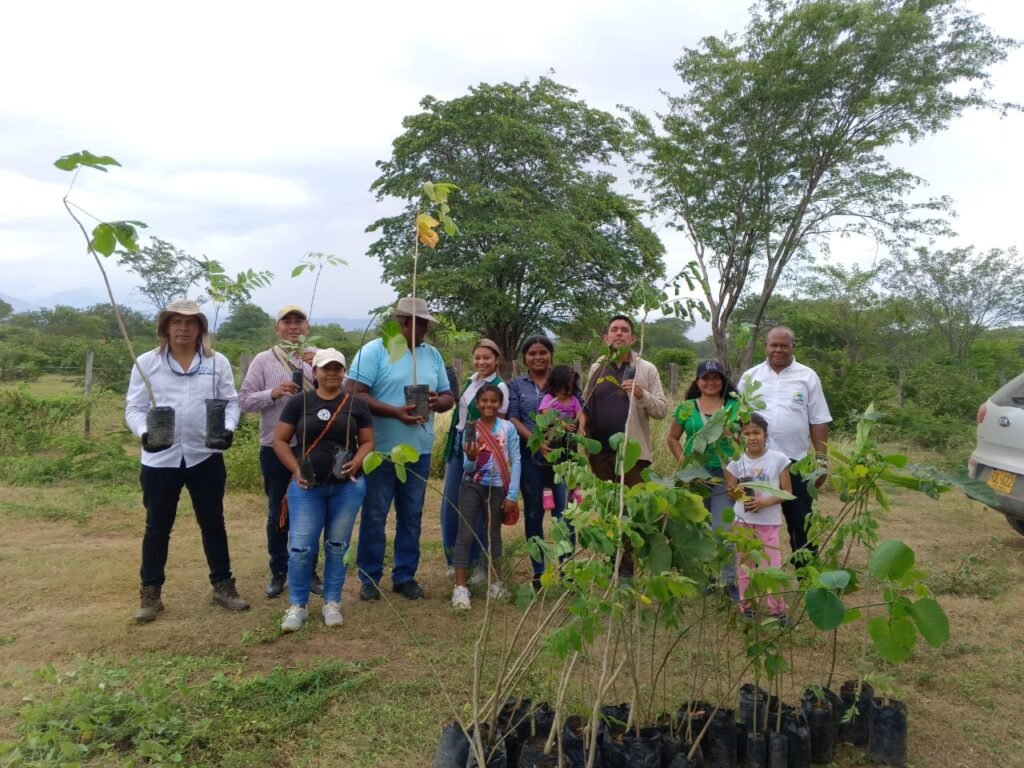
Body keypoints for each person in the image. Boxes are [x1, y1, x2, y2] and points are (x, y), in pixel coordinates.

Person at [124, 298, 249, 622]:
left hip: (204, 455)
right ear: (166, 327)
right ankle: (151, 594)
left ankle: (223, 585)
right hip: (160, 459)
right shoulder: (146, 363)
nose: (183, 327)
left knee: (213, 523)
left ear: (200, 329)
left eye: (190, 322)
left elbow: (231, 403)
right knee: (157, 527)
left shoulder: (216, 362)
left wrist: (229, 428)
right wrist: (144, 434)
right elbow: (134, 409)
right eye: (176, 322)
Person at [346, 297, 454, 601]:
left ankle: (405, 575)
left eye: (426, 324)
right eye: (418, 323)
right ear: (402, 322)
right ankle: (369, 577)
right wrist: (394, 412)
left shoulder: (431, 355)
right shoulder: (375, 351)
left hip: (418, 450)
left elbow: (449, 396)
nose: (423, 329)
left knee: (412, 515)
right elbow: (353, 393)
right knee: (376, 514)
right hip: (380, 451)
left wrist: (436, 401)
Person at [272, 348, 374, 631]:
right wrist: (295, 468)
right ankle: (298, 605)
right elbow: (280, 440)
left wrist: (357, 460)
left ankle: (332, 602)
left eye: (337, 368)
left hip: (346, 488)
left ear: (344, 373)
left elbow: (367, 441)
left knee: (337, 546)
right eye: (326, 368)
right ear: (314, 372)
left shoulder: (355, 404)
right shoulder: (298, 403)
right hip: (307, 486)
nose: (332, 373)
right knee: (302, 547)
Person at [238, 304, 325, 599]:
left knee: (313, 507)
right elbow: (245, 401)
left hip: (314, 446)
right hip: (274, 446)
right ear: (277, 328)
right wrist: (272, 393)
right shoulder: (264, 360)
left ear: (307, 327)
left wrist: (317, 369)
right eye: (286, 322)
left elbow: (344, 393)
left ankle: (310, 569)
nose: (293, 327)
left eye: (299, 321)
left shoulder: (320, 358)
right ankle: (279, 570)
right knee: (278, 510)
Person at [737, 326, 832, 557]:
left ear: (792, 347)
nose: (778, 350)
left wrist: (821, 461)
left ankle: (806, 575)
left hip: (795, 461)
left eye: (784, 345)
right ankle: (752, 576)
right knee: (752, 518)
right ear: (766, 347)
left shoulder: (807, 376)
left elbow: (819, 421)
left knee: (800, 520)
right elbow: (736, 419)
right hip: (755, 462)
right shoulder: (750, 377)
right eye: (774, 345)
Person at [666, 359, 742, 594]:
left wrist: (735, 472)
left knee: (723, 529)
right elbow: (672, 438)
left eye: (716, 378)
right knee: (699, 529)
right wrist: (685, 466)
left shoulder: (734, 406)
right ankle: (705, 579)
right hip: (694, 476)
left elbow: (743, 440)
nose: (711, 382)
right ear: (698, 382)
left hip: (725, 474)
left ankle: (729, 581)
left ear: (723, 381)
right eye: (705, 378)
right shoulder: (687, 407)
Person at [439, 339, 509, 581]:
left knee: (477, 505)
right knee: (450, 503)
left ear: (497, 360)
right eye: (477, 357)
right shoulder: (470, 381)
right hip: (459, 442)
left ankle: (479, 563)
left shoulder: (500, 386)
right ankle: (453, 560)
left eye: (487, 358)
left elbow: (498, 424)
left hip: (482, 449)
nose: (481, 362)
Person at [507, 335, 571, 590]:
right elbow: (512, 417)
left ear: (551, 355)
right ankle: (539, 572)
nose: (537, 357)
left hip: (561, 459)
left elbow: (577, 408)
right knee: (534, 514)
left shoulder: (563, 380)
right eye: (532, 353)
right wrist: (535, 440)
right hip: (530, 458)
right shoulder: (515, 385)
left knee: (564, 515)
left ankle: (566, 569)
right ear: (525, 357)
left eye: (543, 352)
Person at [451, 384, 521, 610]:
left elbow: (516, 460)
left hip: (499, 488)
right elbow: (467, 467)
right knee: (465, 533)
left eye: (493, 401)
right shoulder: (471, 429)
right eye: (484, 401)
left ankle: (495, 581)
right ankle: (460, 588)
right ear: (477, 404)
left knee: (494, 534)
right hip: (472, 486)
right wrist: (471, 457)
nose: (488, 405)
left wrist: (512, 493)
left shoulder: (508, 428)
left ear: (500, 404)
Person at [583, 314, 667, 485]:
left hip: (633, 456)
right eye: (614, 330)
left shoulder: (646, 369)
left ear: (633, 339)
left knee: (631, 508)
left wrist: (642, 394)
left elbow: (661, 410)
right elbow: (585, 405)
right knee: (605, 508)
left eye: (624, 330)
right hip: (599, 455)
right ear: (606, 338)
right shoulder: (597, 368)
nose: (619, 333)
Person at [724, 414, 792, 623]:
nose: (752, 438)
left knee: (771, 566)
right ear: (740, 437)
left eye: (756, 433)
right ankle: (748, 607)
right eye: (747, 434)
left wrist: (763, 502)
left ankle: (778, 610)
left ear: (765, 434)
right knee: (745, 567)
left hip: (768, 522)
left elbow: (786, 491)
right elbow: (730, 491)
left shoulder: (778, 459)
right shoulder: (736, 461)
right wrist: (738, 493)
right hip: (742, 521)